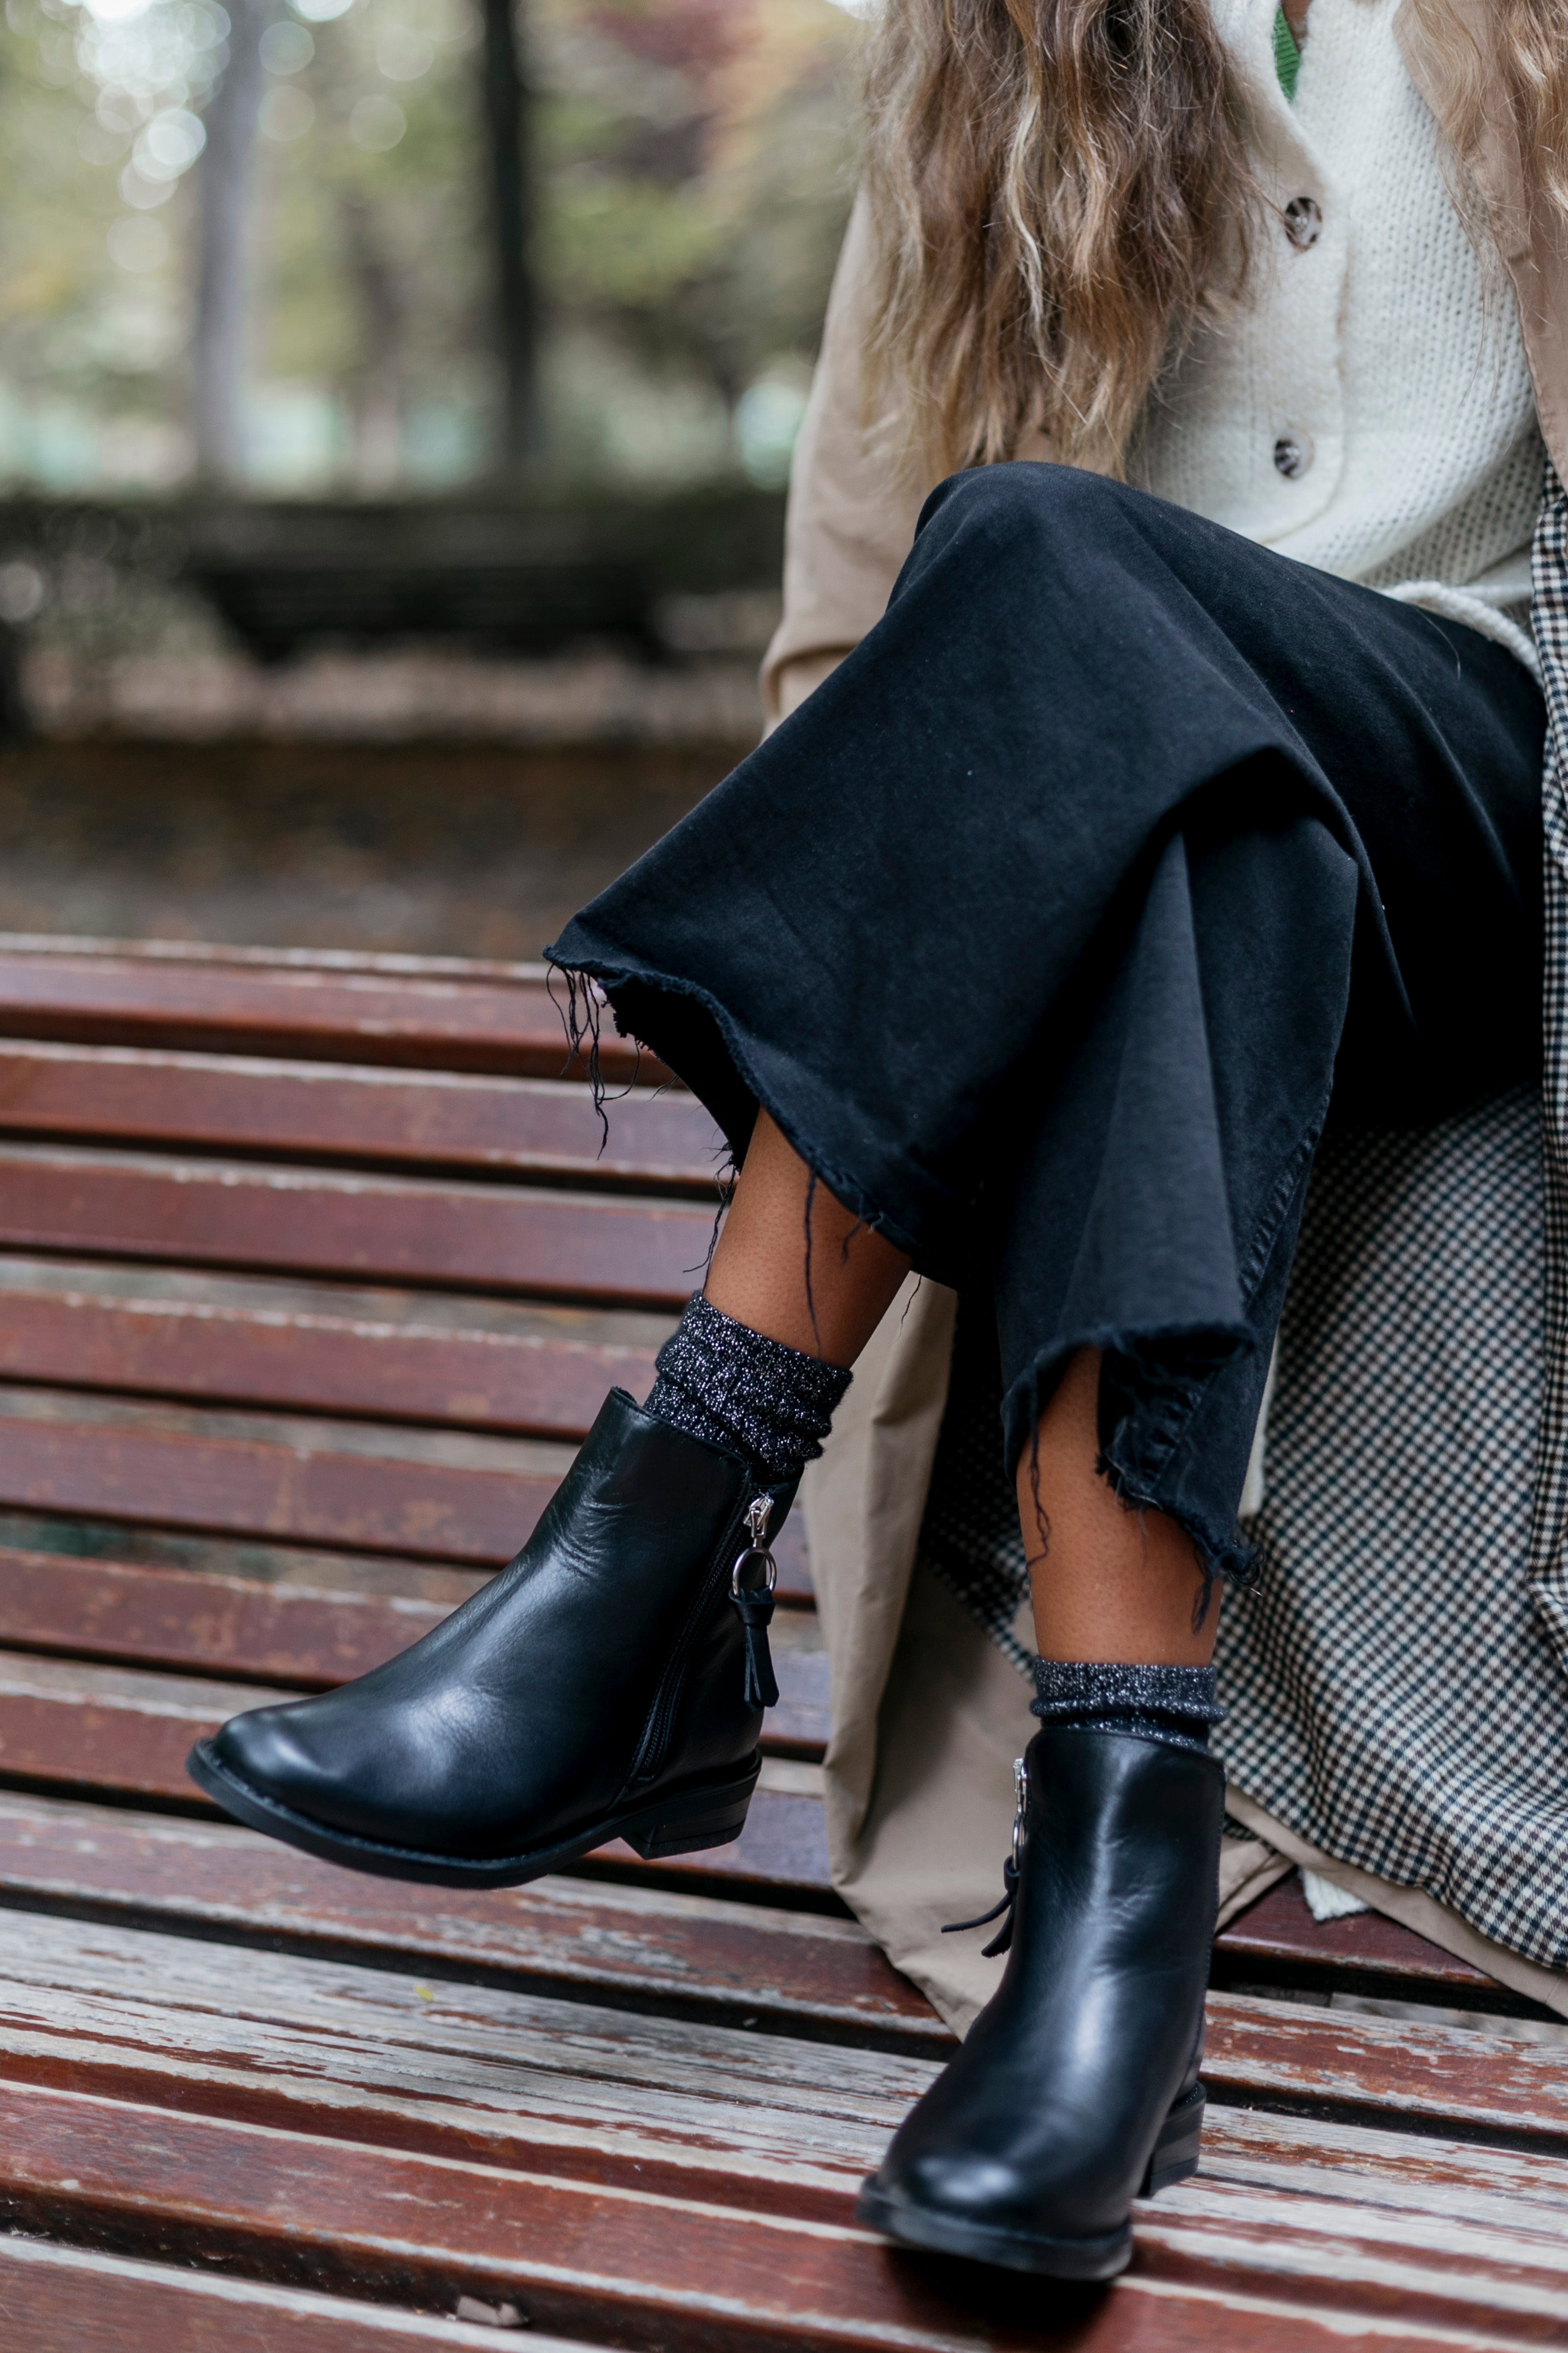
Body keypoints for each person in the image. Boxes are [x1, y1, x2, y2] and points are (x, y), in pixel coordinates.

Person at [187, 0, 1568, 2285]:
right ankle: (1111, 1915)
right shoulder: (999, 42)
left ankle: (655, 1544)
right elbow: (852, 648)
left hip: (1478, 798)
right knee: (1171, 820)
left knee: (1043, 560)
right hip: (1182, 874)